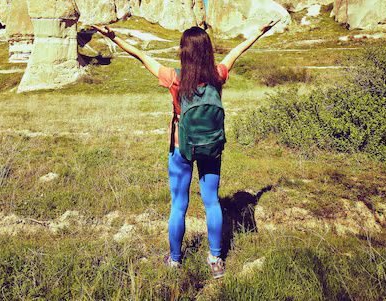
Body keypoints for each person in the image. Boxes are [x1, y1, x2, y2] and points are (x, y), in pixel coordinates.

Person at [92, 20, 278, 279]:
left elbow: (140, 56)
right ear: (208, 51)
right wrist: (258, 32)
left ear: (184, 52)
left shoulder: (174, 77)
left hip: (182, 148)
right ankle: (215, 259)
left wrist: (114, 37)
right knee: (212, 202)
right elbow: (238, 51)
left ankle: (175, 260)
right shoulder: (218, 75)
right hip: (211, 147)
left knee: (179, 205)